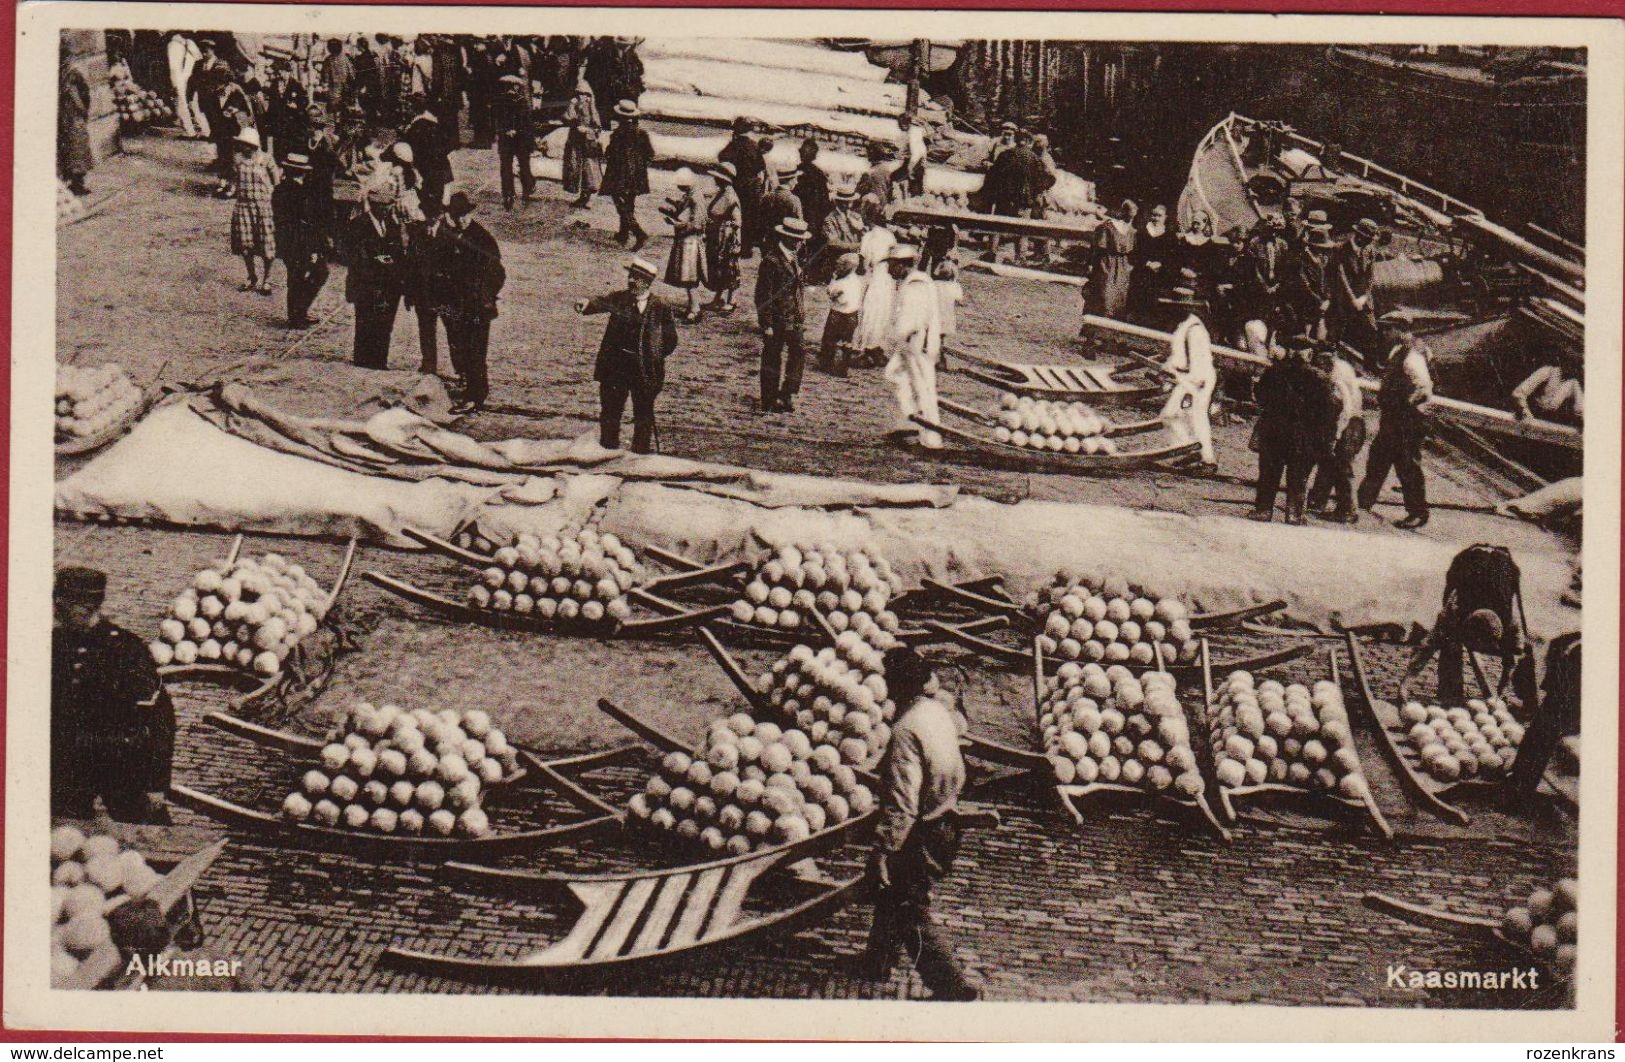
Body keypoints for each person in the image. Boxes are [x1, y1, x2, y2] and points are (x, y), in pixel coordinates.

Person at [861, 646, 979, 1001]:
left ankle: (952, 986)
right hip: (945, 818)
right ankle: (875, 963)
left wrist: (883, 849)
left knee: (909, 908)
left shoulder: (904, 733)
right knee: (892, 892)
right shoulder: (935, 710)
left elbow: (902, 805)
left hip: (923, 831)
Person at [52, 567, 174, 824]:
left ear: (87, 606)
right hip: (68, 764)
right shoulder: (54, 644)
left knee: (147, 835)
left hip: (120, 763)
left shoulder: (125, 649)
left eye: (62, 606)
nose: (56, 612)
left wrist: (156, 783)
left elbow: (160, 719)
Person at [1400, 544, 1538, 713]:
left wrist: (1498, 694)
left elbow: (1513, 657)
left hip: (1502, 566)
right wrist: (1405, 684)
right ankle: (1450, 695)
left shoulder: (1511, 621)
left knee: (1526, 652)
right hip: (1465, 564)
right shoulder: (1454, 608)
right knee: (1449, 641)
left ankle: (1529, 704)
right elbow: (1429, 645)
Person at [577, 257, 679, 453]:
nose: (632, 281)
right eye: (631, 276)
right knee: (610, 411)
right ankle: (606, 451)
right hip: (615, 366)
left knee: (643, 413)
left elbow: (670, 339)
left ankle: (640, 454)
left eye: (637, 278)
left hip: (643, 369)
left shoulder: (660, 307)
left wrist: (653, 356)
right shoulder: (619, 298)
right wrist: (586, 303)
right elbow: (600, 302)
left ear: (647, 283)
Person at [435, 192, 505, 414]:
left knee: (475, 351)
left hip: (477, 306)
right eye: (458, 216)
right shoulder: (449, 235)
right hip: (457, 305)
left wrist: (484, 295)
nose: (462, 219)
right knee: (461, 346)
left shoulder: (481, 237)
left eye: (465, 215)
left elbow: (497, 273)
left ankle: (476, 396)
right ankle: (469, 386)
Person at [1250, 334, 1331, 524]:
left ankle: (1263, 510)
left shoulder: (1274, 372)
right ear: (1309, 354)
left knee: (1269, 472)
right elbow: (1328, 408)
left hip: (1274, 430)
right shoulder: (1319, 378)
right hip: (1303, 434)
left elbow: (1260, 396)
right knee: (1298, 474)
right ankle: (1294, 514)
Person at [1357, 329, 1433, 529]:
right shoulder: (1397, 354)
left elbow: (1424, 388)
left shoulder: (1411, 357)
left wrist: (1406, 405)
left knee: (1407, 465)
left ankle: (1418, 512)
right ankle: (1364, 501)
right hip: (1392, 418)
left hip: (1407, 420)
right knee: (1378, 458)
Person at [1506, 631, 1579, 804]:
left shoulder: (1544, 662)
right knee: (1542, 732)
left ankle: (1520, 790)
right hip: (1566, 674)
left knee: (1543, 732)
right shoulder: (1549, 653)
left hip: (1575, 675)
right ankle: (1519, 783)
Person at [887, 245, 944, 449]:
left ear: (902, 265)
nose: (888, 269)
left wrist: (896, 337)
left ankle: (930, 439)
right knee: (900, 380)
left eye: (891, 264)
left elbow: (910, 320)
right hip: (913, 343)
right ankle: (907, 426)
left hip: (917, 344)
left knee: (922, 388)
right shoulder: (914, 281)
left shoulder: (916, 284)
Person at [345, 183, 406, 370]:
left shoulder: (392, 224)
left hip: (388, 284)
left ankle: (380, 360)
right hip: (366, 283)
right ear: (374, 205)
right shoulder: (358, 225)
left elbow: (397, 251)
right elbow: (355, 256)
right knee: (365, 321)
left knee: (385, 323)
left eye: (389, 204)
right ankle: (363, 360)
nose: (388, 208)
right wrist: (378, 260)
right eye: (384, 205)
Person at [755, 217, 812, 413]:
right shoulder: (771, 261)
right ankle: (769, 399)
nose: (800, 242)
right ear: (786, 237)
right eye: (796, 238)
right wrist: (766, 323)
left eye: (801, 238)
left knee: (799, 352)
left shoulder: (795, 257)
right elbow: (763, 295)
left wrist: (801, 314)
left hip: (794, 318)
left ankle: (787, 393)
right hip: (777, 319)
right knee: (772, 357)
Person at [1158, 286, 1217, 468]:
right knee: (1171, 416)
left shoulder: (1195, 329)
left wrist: (1192, 383)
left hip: (1197, 380)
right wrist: (1168, 368)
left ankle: (1205, 459)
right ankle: (1187, 451)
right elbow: (1178, 355)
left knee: (1195, 417)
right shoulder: (1181, 326)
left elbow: (1200, 361)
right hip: (1184, 378)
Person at [1306, 344, 1366, 523]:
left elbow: (1345, 409)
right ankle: (1318, 501)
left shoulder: (1337, 376)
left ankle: (1348, 510)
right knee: (1329, 461)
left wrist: (1337, 435)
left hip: (1348, 423)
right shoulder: (1340, 367)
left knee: (1341, 467)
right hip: (1348, 421)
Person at [271, 153, 330, 329]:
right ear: (302, 173)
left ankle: (297, 313)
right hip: (301, 241)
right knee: (319, 272)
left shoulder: (280, 189)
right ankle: (298, 314)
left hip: (286, 240)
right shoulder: (301, 193)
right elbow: (307, 222)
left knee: (295, 277)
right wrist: (314, 246)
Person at [229, 129, 279, 295]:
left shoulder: (266, 159)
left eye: (249, 145)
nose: (246, 148)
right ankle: (252, 276)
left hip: (263, 207)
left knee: (267, 245)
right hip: (243, 206)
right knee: (245, 245)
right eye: (243, 145)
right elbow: (234, 181)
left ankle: (267, 279)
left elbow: (276, 182)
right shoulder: (237, 160)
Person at [602, 99, 654, 250]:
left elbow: (609, 153)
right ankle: (623, 233)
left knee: (620, 203)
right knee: (630, 202)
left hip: (619, 174)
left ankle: (638, 233)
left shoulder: (617, 134)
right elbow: (650, 153)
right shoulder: (642, 133)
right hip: (637, 175)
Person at [853, 195, 898, 367]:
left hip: (875, 276)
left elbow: (863, 265)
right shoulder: (889, 235)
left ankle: (865, 348)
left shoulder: (868, 237)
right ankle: (878, 346)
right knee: (884, 312)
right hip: (889, 277)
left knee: (870, 311)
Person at [1330, 218, 1382, 363]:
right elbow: (1341, 277)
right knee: (1337, 327)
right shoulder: (1340, 249)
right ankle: (1331, 357)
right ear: (1359, 236)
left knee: (1371, 329)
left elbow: (1370, 277)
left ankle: (1371, 363)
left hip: (1363, 298)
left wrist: (1364, 297)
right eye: (1368, 239)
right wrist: (1352, 299)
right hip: (1344, 297)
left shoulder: (1370, 250)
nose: (1370, 242)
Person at [402, 206, 447, 375]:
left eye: (434, 216)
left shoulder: (448, 234)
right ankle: (429, 364)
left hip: (444, 294)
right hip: (423, 292)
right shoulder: (417, 233)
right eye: (428, 216)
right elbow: (410, 266)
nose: (430, 220)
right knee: (426, 329)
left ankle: (463, 369)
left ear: (441, 216)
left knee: (454, 331)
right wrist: (408, 294)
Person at [663, 169, 708, 322]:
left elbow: (697, 224)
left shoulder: (695, 197)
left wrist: (676, 224)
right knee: (687, 275)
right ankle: (692, 306)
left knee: (689, 276)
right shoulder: (692, 194)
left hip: (691, 241)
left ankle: (695, 309)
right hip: (686, 240)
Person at [1082, 199, 1137, 321]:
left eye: (1132, 217)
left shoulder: (1131, 230)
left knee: (1119, 297)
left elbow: (1131, 251)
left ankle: (1110, 333)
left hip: (1122, 268)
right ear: (1122, 212)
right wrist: (1091, 264)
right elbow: (1097, 249)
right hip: (1105, 264)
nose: (1130, 220)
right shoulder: (1106, 227)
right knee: (1104, 296)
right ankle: (1095, 331)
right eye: (1128, 216)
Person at [719, 117, 766, 255]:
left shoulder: (734, 144)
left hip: (737, 185)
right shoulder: (754, 145)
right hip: (752, 187)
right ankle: (747, 248)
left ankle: (734, 245)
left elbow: (722, 157)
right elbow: (760, 168)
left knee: (734, 215)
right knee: (750, 216)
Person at [1287, 213, 1336, 340]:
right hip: (1304, 300)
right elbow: (1303, 284)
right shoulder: (1301, 259)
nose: (1322, 251)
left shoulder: (1322, 260)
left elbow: (1327, 282)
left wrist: (1327, 299)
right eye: (1320, 248)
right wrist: (1319, 301)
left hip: (1319, 301)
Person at [492, 73, 535, 210]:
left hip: (513, 138)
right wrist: (510, 130)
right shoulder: (514, 101)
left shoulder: (507, 101)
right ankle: (517, 192)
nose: (511, 89)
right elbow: (499, 120)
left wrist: (510, 130)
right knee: (515, 165)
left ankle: (516, 191)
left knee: (513, 166)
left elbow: (497, 121)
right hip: (514, 138)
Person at [703, 163, 742, 314]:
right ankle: (718, 298)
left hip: (727, 240)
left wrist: (725, 230)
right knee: (718, 269)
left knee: (730, 270)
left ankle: (731, 300)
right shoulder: (722, 193)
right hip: (717, 238)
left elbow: (737, 221)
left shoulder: (730, 196)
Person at [402, 96, 451, 217]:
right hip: (440, 176)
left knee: (425, 212)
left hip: (424, 178)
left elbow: (410, 158)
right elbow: (444, 154)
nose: (404, 111)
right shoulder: (435, 126)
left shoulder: (413, 130)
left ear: (412, 110)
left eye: (406, 108)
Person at [1128, 203, 1174, 323]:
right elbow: (1135, 253)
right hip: (1142, 270)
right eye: (1153, 215)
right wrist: (1147, 263)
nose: (1155, 218)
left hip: (1160, 273)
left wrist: (1161, 264)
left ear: (1165, 217)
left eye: (1159, 216)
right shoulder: (1142, 233)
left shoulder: (1170, 235)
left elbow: (1172, 256)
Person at [562, 78, 603, 209]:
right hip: (575, 142)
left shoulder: (591, 107)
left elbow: (598, 127)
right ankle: (582, 196)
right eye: (578, 94)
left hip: (588, 144)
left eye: (584, 94)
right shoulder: (574, 104)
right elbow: (567, 118)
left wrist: (588, 130)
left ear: (588, 96)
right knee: (575, 169)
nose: (581, 96)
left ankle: (590, 197)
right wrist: (571, 105)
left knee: (589, 171)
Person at [821, 252, 864, 377]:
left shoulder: (849, 282)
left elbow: (842, 299)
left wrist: (834, 294)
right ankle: (832, 364)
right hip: (849, 313)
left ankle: (836, 366)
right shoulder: (842, 278)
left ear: (848, 267)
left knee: (835, 339)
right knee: (840, 340)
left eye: (841, 265)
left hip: (842, 313)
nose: (837, 268)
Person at [58, 48, 94, 196]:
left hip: (69, 116)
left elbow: (84, 92)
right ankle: (76, 183)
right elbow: (84, 94)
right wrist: (83, 110)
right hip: (71, 117)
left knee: (75, 149)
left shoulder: (67, 74)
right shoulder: (70, 74)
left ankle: (76, 182)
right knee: (75, 150)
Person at [816, 186, 866, 284]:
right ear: (838, 202)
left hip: (856, 258)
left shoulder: (855, 216)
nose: (848, 204)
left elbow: (863, 235)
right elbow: (833, 243)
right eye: (845, 201)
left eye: (850, 201)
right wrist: (858, 245)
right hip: (839, 260)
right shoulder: (830, 220)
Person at [795, 138, 832, 260]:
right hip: (815, 219)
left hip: (801, 215)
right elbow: (825, 202)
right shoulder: (820, 174)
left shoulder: (798, 172)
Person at [1513, 361, 1584, 424]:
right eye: (1571, 361)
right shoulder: (1547, 371)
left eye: (1577, 364)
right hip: (1527, 418)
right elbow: (1518, 393)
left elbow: (1580, 411)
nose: (1573, 367)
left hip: (1549, 425)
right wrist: (1525, 411)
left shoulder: (1573, 384)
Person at [756, 162, 803, 256]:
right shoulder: (793, 200)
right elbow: (799, 226)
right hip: (786, 247)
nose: (797, 182)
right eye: (795, 179)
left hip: (768, 244)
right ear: (791, 180)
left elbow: (760, 223)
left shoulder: (767, 197)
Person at [166, 32, 206, 139]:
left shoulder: (173, 45)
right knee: (193, 104)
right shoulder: (189, 42)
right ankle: (204, 130)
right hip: (191, 77)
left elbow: (173, 68)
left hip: (182, 79)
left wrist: (174, 84)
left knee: (184, 104)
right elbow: (199, 60)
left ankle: (190, 131)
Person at [898, 111, 928, 198]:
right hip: (919, 160)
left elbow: (916, 153)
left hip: (917, 161)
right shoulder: (915, 129)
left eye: (901, 125)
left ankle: (914, 200)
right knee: (915, 183)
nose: (900, 127)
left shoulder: (912, 133)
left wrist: (910, 167)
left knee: (914, 184)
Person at [934, 258, 964, 344]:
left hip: (935, 311)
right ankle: (941, 341)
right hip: (947, 311)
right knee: (944, 327)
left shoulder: (934, 284)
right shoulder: (955, 286)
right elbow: (959, 300)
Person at [856, 141, 896, 207]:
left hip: (871, 207)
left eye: (869, 152)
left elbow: (858, 192)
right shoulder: (887, 170)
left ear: (872, 153)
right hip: (883, 207)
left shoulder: (869, 173)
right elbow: (891, 191)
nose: (867, 154)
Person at [321, 38, 354, 115]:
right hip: (345, 85)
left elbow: (325, 74)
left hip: (334, 86)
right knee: (343, 104)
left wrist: (324, 85)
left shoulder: (328, 59)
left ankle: (338, 122)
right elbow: (351, 72)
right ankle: (342, 121)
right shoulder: (345, 58)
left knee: (336, 106)